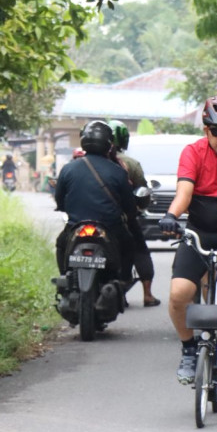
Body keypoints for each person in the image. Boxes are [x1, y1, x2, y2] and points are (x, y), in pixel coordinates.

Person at [159, 96, 217, 384]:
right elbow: (184, 194)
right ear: (205, 129)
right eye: (216, 130)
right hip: (199, 232)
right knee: (179, 294)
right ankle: (188, 348)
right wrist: (172, 216)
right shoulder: (193, 152)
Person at [53, 121, 137, 282]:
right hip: (110, 227)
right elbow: (129, 205)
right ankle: (123, 280)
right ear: (109, 144)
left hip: (76, 226)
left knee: (61, 243)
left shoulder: (68, 169)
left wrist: (65, 208)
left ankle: (64, 278)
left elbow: (59, 199)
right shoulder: (118, 172)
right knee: (129, 244)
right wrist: (130, 213)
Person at [107, 120, 160, 307]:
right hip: (124, 219)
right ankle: (147, 294)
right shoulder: (130, 164)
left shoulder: (83, 162)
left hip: (93, 218)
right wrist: (138, 208)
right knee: (140, 250)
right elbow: (142, 192)